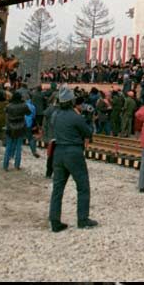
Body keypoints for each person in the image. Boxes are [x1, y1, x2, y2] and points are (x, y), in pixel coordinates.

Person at [48, 86, 96, 231]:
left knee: (57, 189)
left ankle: (55, 221)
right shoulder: (75, 117)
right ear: (72, 101)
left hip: (58, 152)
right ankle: (82, 219)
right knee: (83, 186)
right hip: (74, 152)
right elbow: (88, 133)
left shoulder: (55, 115)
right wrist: (88, 119)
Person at [4, 93, 29, 171]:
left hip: (10, 127)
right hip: (20, 127)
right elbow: (29, 113)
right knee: (18, 147)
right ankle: (17, 165)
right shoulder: (24, 106)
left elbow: (5, 112)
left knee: (8, 147)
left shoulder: (9, 106)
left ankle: (5, 165)